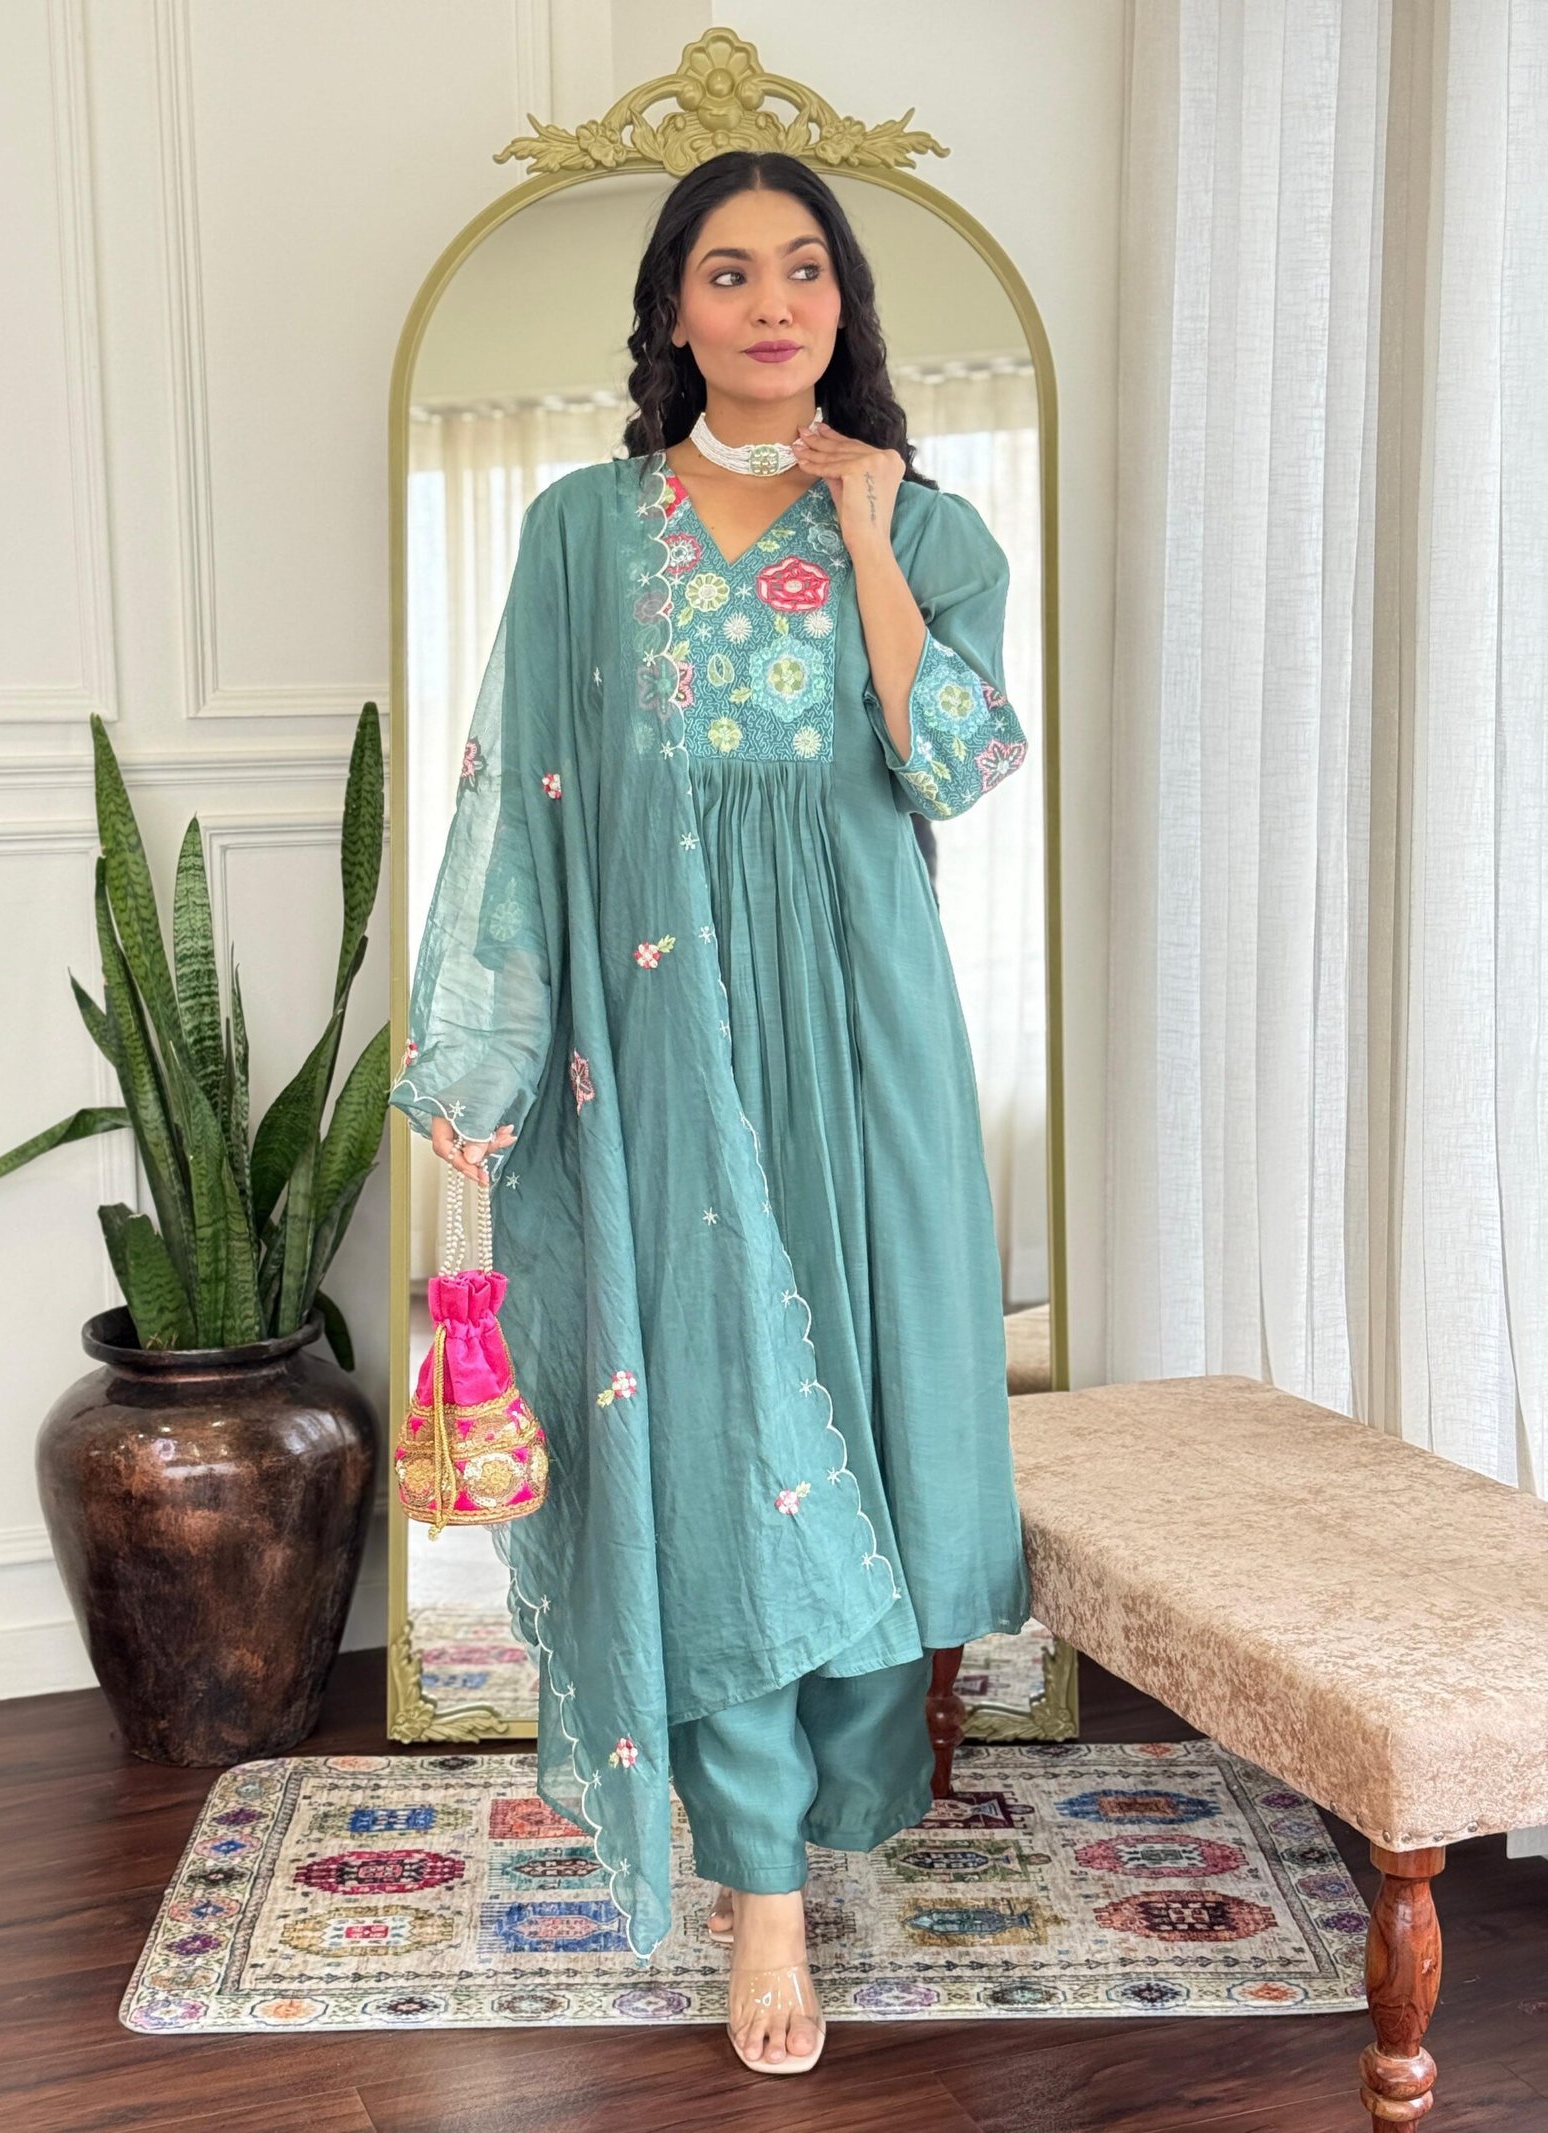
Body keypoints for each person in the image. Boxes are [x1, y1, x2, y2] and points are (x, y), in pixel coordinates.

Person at [388, 148, 1032, 2077]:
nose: (771, 302)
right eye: (729, 271)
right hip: (661, 1041)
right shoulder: (587, 532)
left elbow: (953, 762)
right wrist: (486, 1051)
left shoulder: (933, 529)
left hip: (865, 1029)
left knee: (869, 1416)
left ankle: (837, 1813)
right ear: (672, 309)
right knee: (715, 1428)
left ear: (845, 306)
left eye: (805, 269)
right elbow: (514, 792)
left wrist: (874, 531)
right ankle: (758, 1882)